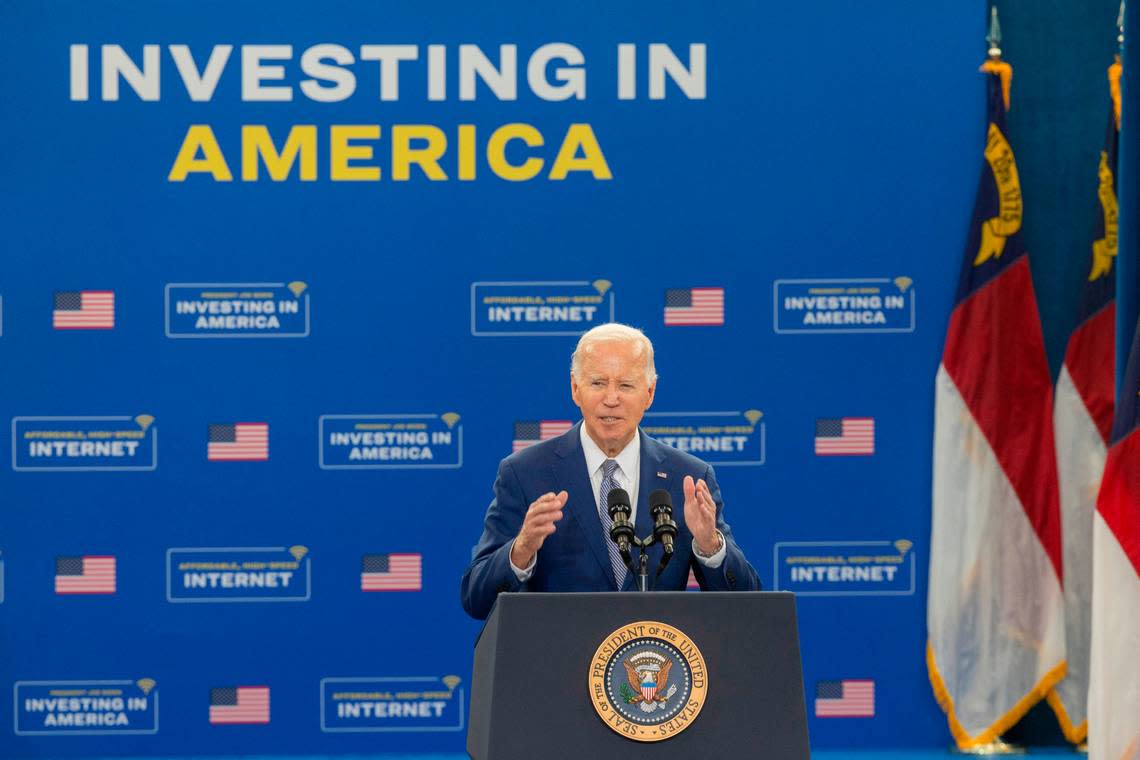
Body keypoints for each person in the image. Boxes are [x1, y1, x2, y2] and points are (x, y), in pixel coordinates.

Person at [460, 323, 760, 620]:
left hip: (654, 664)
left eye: (626, 385)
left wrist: (710, 545)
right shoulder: (526, 473)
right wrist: (521, 549)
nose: (611, 398)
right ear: (575, 389)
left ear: (650, 392)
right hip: (558, 661)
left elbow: (747, 602)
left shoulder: (689, 478)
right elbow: (476, 598)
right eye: (598, 383)